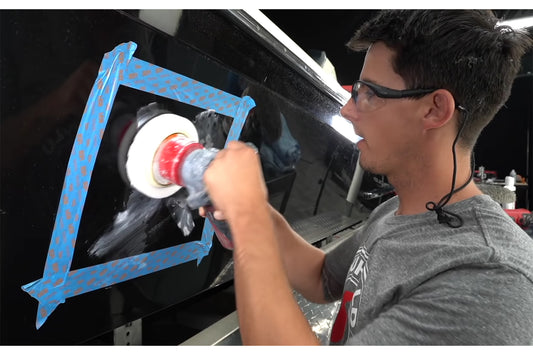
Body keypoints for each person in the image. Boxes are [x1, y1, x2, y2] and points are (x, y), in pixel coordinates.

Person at [201, 10, 533, 345]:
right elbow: (321, 279)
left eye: (368, 93)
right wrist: (252, 212)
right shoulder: (396, 213)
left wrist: (249, 219)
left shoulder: (492, 281)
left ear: (434, 110)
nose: (347, 109)